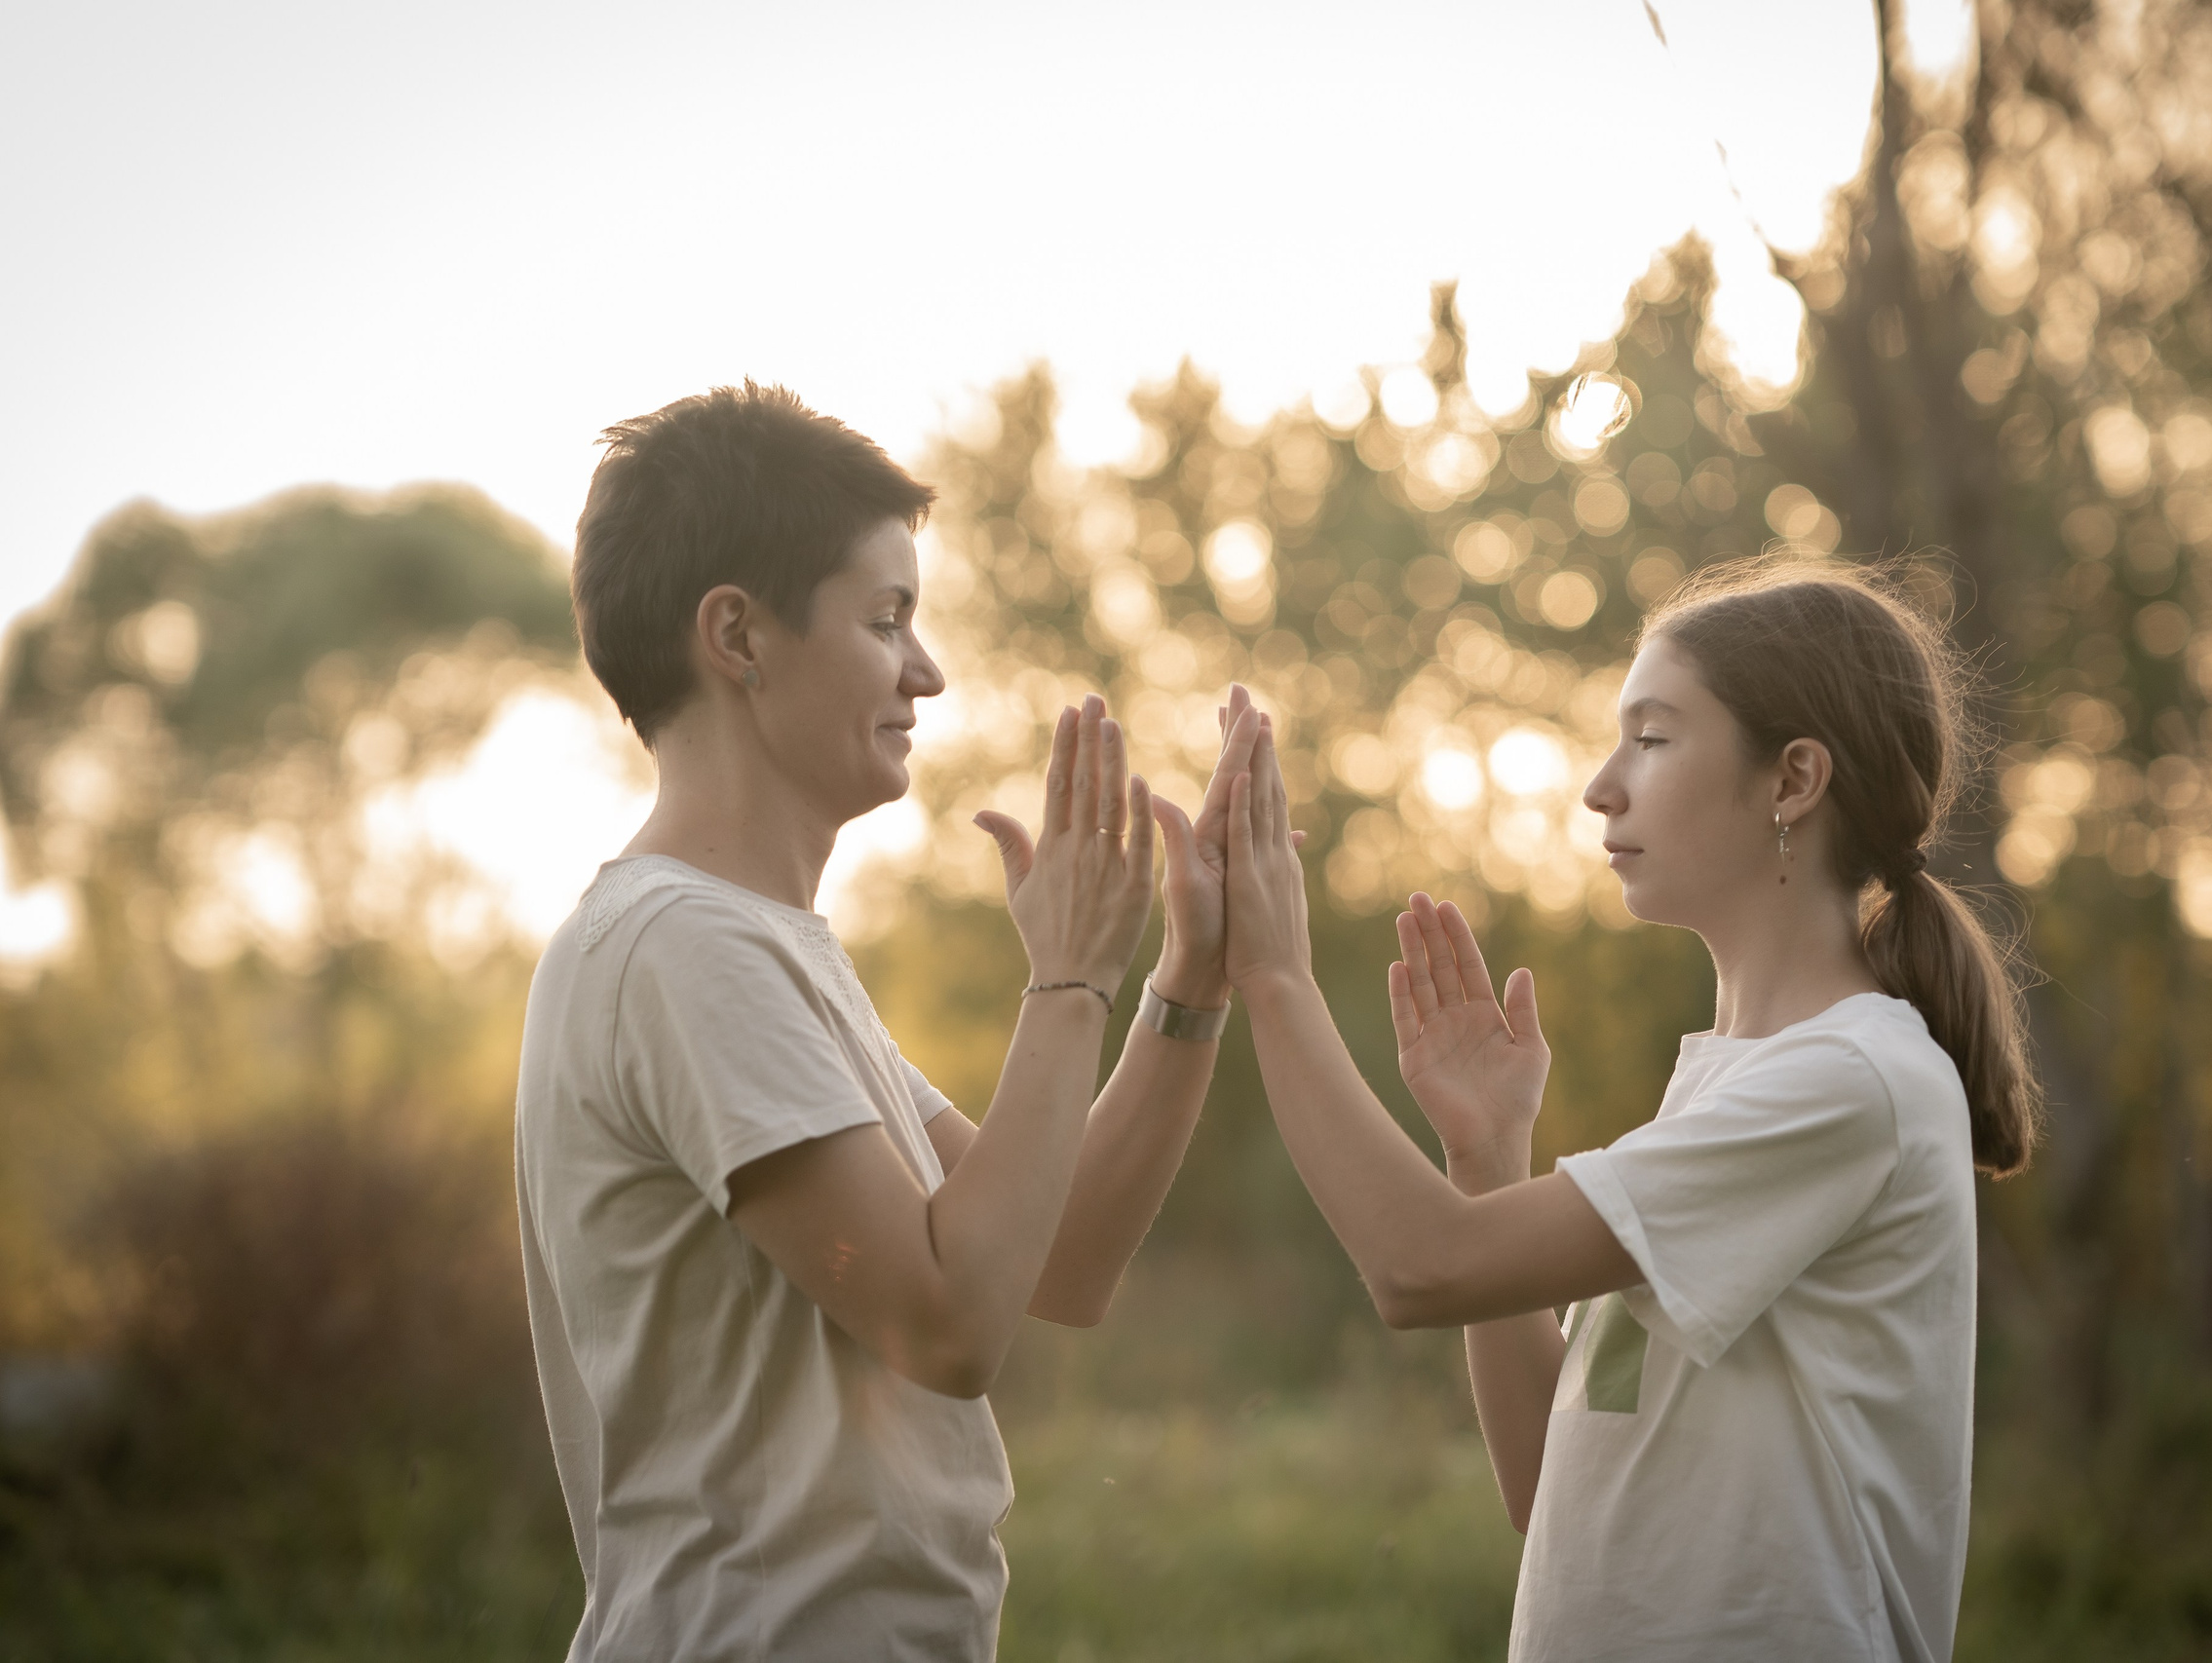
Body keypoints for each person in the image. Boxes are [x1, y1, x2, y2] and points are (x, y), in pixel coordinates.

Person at [515, 380, 1258, 1662]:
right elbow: (945, 1323)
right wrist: (1067, 977)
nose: (929, 669)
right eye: (887, 617)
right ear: (738, 635)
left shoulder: (764, 951)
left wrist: (1188, 978)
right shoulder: (685, 949)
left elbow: (1055, 1258)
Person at [1219, 557, 2041, 1661]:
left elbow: (1422, 1269)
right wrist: (1488, 1157)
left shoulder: (1853, 1083)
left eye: (1651, 739)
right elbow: (1543, 1480)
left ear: (1792, 780)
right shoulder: (1726, 1086)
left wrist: (1272, 977)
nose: (1601, 786)